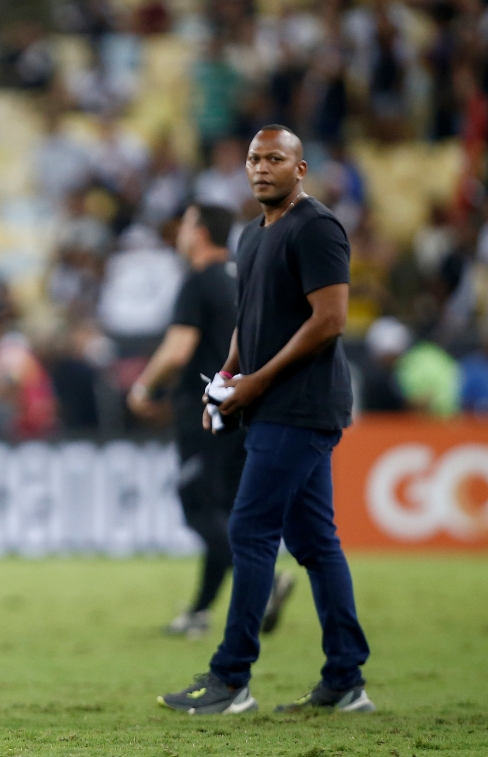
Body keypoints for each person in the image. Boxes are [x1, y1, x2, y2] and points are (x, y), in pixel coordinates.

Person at [158, 126, 373, 716]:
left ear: (300, 169)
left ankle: (231, 679)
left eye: (275, 158)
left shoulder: (318, 227)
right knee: (314, 542)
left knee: (250, 532)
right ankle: (346, 679)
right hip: (269, 404)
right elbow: (246, 323)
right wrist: (226, 381)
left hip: (301, 406)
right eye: (254, 158)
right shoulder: (251, 237)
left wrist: (257, 381)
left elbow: (330, 319)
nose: (261, 167)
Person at [128, 204, 295, 639]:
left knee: (198, 506)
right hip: (246, 407)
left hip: (205, 413)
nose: (179, 233)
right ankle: (200, 612)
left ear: (200, 233)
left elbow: (178, 350)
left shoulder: (198, 280)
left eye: (184, 224)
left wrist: (144, 387)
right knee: (225, 512)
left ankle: (265, 580)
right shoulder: (244, 279)